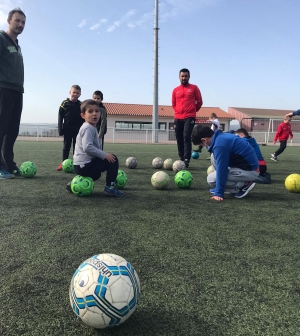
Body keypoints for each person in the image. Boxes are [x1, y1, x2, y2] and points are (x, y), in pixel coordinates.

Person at [69, 99, 123, 197]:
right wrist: (104, 155)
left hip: (80, 166)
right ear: (83, 115)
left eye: (97, 111)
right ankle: (110, 188)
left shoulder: (90, 127)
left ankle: (75, 183)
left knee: (97, 174)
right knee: (113, 160)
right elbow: (87, 147)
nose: (94, 114)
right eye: (90, 111)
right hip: (84, 166)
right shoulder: (88, 128)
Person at [191, 125, 259, 201]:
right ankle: (231, 184)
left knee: (211, 179)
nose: (203, 146)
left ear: (204, 140)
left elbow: (222, 170)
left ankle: (244, 184)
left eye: (201, 145)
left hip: (250, 171)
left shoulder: (220, 145)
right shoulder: (220, 137)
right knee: (213, 156)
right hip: (244, 167)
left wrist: (218, 192)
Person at [0, 8, 26, 178]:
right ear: (9, 20)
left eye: (23, 22)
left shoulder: (17, 45)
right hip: (3, 89)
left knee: (12, 130)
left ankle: (9, 164)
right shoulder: (1, 39)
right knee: (1, 129)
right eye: (17, 21)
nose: (20, 25)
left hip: (17, 91)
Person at [172, 68, 203, 168]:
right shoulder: (175, 90)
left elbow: (199, 102)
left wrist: (193, 111)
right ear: (179, 77)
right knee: (179, 137)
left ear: (189, 77)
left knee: (186, 136)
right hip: (178, 117)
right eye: (182, 76)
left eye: (186, 76)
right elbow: (173, 104)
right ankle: (181, 158)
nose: (184, 78)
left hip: (189, 117)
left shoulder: (194, 88)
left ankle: (186, 160)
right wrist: (178, 112)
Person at [57, 85, 83, 170]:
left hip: (78, 130)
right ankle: (63, 164)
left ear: (80, 94)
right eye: (74, 92)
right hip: (67, 129)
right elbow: (60, 117)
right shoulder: (64, 103)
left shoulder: (81, 105)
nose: (75, 94)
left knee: (77, 148)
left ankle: (76, 164)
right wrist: (60, 129)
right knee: (66, 146)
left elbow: (84, 117)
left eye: (77, 93)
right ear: (70, 92)